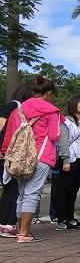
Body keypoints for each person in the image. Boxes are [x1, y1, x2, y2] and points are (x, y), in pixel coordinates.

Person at [1, 76, 64, 242]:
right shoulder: (52, 111)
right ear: (49, 93)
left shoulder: (18, 110)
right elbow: (54, 135)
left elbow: (10, 134)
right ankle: (24, 233)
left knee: (22, 194)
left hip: (20, 157)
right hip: (42, 156)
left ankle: (20, 229)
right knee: (33, 193)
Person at [52, 94, 80, 230]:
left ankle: (70, 217)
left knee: (74, 190)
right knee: (63, 190)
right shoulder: (67, 122)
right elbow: (63, 142)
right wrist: (66, 160)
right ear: (74, 105)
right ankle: (61, 219)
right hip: (70, 160)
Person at [0, 82, 34, 238]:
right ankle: (7, 223)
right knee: (12, 188)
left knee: (11, 189)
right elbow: (2, 129)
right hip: (7, 154)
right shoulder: (14, 105)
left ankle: (6, 223)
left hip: (10, 153)